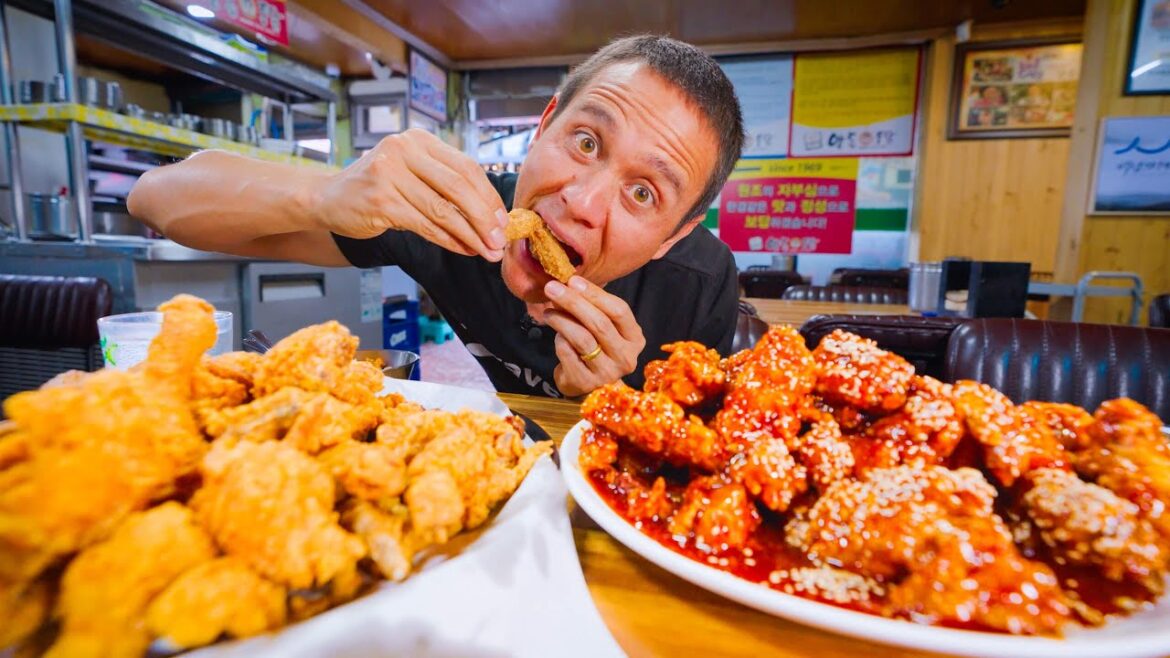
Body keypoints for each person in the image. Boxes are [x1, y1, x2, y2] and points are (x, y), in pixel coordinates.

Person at [128, 35, 745, 399]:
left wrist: (608, 407)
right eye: (585, 142)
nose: (581, 203)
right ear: (543, 126)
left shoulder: (699, 287)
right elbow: (155, 199)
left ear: (676, 234)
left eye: (643, 194)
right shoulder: (450, 212)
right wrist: (326, 193)